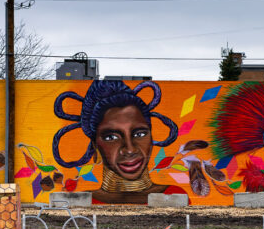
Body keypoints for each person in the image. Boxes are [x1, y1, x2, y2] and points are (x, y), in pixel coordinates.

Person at [53, 80, 184, 204]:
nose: (130, 149)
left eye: (140, 134)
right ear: (95, 145)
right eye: (111, 137)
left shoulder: (174, 195)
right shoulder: (81, 202)